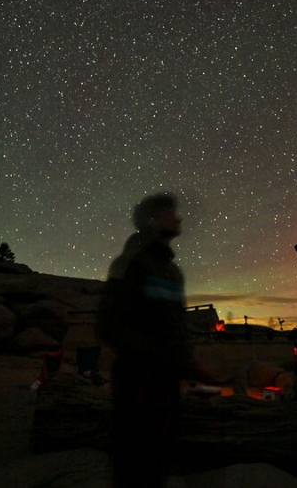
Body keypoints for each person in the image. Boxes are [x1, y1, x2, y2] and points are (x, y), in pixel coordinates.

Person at [96, 192, 192, 487]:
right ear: (152, 221)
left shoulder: (171, 269)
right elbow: (109, 324)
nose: (178, 217)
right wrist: (157, 358)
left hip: (165, 384)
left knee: (158, 463)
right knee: (133, 464)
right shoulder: (130, 262)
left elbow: (174, 324)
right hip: (138, 384)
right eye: (169, 212)